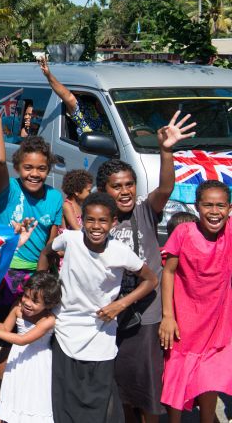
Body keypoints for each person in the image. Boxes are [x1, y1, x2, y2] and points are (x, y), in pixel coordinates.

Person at [97, 110, 196, 423]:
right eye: (117, 186)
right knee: (120, 383)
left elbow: (165, 188)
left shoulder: (145, 210)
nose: (125, 191)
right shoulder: (99, 221)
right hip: (111, 312)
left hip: (147, 313)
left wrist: (166, 151)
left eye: (130, 184)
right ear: (104, 191)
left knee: (147, 386)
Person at [39, 192, 158, 422]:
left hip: (100, 332)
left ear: (113, 222)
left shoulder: (120, 251)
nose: (96, 226)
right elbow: (46, 253)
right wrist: (41, 290)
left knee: (97, 398)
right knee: (64, 397)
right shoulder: (70, 239)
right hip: (65, 328)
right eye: (90, 220)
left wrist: (120, 304)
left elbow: (151, 280)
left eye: (103, 221)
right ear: (81, 220)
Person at [0, 105, 63, 423]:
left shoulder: (55, 198)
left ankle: (16, 402)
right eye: (28, 167)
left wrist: (45, 282)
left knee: (29, 346)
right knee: (7, 343)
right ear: (18, 168)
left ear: (48, 170)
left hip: (34, 281)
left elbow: (50, 243)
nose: (34, 173)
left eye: (41, 168)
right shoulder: (7, 190)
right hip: (4, 277)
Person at [160, 180, 232, 422]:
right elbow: (168, 272)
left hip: (216, 324)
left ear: (229, 209)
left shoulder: (230, 232)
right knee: (177, 379)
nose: (214, 211)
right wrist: (168, 316)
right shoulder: (184, 232)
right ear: (196, 207)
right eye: (208, 205)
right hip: (183, 322)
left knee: (209, 378)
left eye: (221, 205)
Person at [0, 272, 61, 423]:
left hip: (37, 363)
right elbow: (5, 328)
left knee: (32, 399)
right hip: (17, 360)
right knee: (14, 394)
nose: (27, 302)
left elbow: (23, 340)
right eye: (26, 296)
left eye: (35, 301)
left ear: (48, 304)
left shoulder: (49, 320)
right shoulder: (18, 307)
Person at [39, 55, 110, 136]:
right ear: (97, 102)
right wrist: (49, 76)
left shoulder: (118, 113)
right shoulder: (87, 111)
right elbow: (68, 97)